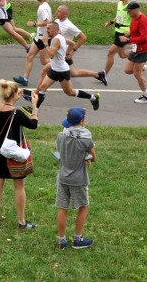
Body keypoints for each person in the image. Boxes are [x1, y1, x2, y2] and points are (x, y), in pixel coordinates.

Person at [0, 80, 39, 230]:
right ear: (15, 94)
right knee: (19, 187)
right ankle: (21, 221)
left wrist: (12, 99)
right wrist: (35, 106)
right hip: (13, 154)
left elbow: (6, 105)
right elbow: (33, 124)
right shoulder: (16, 113)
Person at [55, 106, 96, 250]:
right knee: (83, 206)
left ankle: (61, 240)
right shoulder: (85, 138)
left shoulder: (61, 135)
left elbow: (61, 151)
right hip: (79, 178)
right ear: (82, 121)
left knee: (62, 207)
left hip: (62, 176)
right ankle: (78, 239)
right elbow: (93, 156)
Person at [34, 21, 101, 110]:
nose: (47, 31)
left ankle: (93, 97)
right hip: (54, 69)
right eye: (46, 29)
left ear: (56, 30)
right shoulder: (57, 37)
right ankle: (34, 110)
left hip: (62, 71)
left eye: (49, 29)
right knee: (42, 87)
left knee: (70, 92)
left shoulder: (57, 40)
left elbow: (51, 55)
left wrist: (45, 44)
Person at [120, 2, 147, 104]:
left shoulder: (143, 20)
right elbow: (135, 31)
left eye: (129, 11)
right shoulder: (134, 17)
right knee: (128, 70)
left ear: (136, 10)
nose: (128, 13)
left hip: (142, 50)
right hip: (135, 48)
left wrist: (128, 40)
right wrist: (129, 34)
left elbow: (144, 37)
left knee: (136, 73)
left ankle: (146, 96)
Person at [14, 0, 53, 86]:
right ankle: (25, 78)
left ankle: (60, 63)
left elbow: (47, 22)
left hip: (44, 38)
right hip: (38, 37)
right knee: (29, 56)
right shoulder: (44, 5)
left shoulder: (43, 8)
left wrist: (34, 24)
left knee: (44, 62)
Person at [102, 0, 132, 76]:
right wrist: (111, 22)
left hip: (124, 33)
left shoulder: (130, 7)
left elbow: (135, 20)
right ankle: (139, 52)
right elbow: (118, 16)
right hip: (117, 32)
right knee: (122, 55)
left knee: (110, 52)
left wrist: (130, 30)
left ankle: (104, 75)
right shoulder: (119, 3)